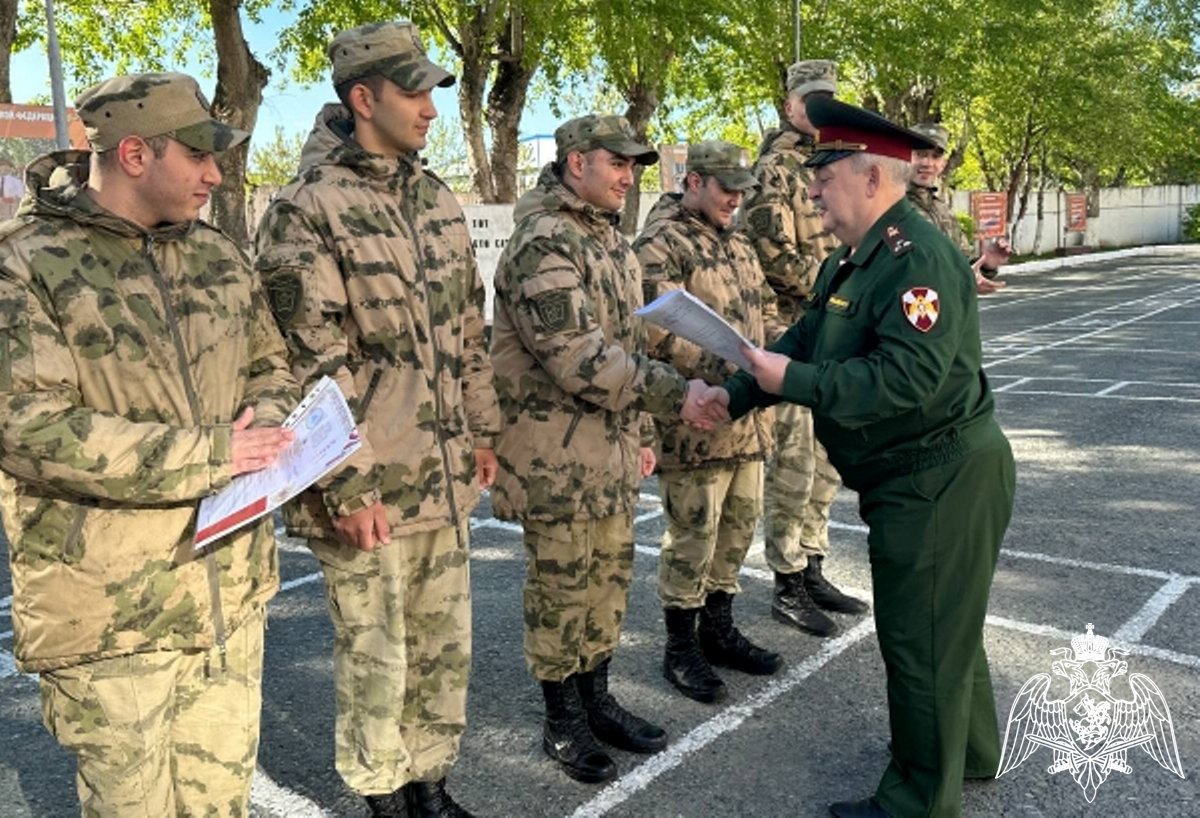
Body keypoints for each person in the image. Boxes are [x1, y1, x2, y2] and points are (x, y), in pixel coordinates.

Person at [695, 97, 1017, 818]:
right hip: (914, 475)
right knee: (945, 623)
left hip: (938, 477)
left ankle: (915, 802)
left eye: (825, 176)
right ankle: (967, 753)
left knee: (919, 640)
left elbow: (907, 380)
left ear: (872, 178)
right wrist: (737, 393)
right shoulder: (855, 255)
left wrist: (793, 385)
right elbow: (806, 338)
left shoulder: (917, 257)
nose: (811, 189)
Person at [0, 71, 299, 816]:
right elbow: (28, 427)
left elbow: (271, 364)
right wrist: (214, 454)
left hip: (228, 599)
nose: (215, 173)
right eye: (198, 155)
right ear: (134, 154)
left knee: (220, 805)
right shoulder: (24, 263)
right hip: (111, 619)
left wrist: (267, 420)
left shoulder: (217, 256)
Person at [254, 22, 499, 818]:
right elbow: (306, 361)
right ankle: (382, 798)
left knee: (441, 648)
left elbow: (468, 326)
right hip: (370, 485)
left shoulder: (434, 198)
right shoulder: (306, 209)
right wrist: (349, 487)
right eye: (413, 90)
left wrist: (483, 430)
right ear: (364, 99)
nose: (429, 107)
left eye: (432, 90)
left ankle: (430, 782)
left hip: (443, 471)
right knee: (375, 654)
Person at [490, 113, 709, 784]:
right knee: (561, 590)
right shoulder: (543, 242)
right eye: (618, 163)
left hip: (607, 451)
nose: (628, 176)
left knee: (607, 585)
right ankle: (562, 718)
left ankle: (596, 698)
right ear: (576, 161)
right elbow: (580, 357)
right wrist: (678, 395)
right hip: (555, 458)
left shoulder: (607, 241)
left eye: (635, 166)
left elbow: (630, 340)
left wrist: (643, 432)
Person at [633, 140, 788, 704]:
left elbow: (765, 306)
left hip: (746, 417)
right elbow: (649, 329)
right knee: (692, 537)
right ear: (692, 182)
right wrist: (721, 367)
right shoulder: (661, 242)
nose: (735, 200)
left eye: (742, 191)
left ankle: (718, 629)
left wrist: (769, 352)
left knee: (738, 529)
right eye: (726, 189)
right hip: (696, 420)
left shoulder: (738, 242)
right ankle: (681, 647)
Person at [741, 59, 868, 637]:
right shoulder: (774, 169)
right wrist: (832, 294)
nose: (817, 110)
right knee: (792, 462)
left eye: (827, 100)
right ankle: (787, 580)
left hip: (834, 330)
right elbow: (771, 250)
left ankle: (813, 562)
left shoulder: (840, 158)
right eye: (808, 101)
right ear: (789, 105)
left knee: (824, 461)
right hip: (795, 332)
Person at [908, 122, 1011, 295]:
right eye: (920, 154)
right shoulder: (888, 205)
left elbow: (963, 263)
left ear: (943, 164)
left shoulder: (941, 209)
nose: (927, 163)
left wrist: (986, 263)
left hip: (947, 313)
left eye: (935, 157)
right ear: (903, 156)